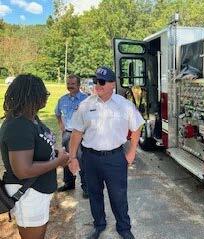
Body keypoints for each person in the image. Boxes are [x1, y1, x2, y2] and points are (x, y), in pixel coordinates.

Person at [68, 66, 144, 239]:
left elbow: (137, 126)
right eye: (96, 81)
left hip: (115, 158)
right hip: (90, 157)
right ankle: (99, 225)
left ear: (112, 84)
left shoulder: (124, 105)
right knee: (94, 194)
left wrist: (132, 152)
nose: (98, 85)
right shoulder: (85, 105)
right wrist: (72, 157)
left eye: (102, 82)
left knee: (118, 196)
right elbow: (76, 133)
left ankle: (124, 228)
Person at [0, 74, 69, 239]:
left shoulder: (32, 119)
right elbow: (23, 170)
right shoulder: (18, 125)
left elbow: (38, 148)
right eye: (43, 93)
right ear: (32, 95)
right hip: (28, 194)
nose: (46, 97)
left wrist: (55, 153)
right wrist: (57, 162)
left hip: (37, 191)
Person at [55, 74, 88, 197]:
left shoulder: (86, 100)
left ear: (79, 85)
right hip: (67, 134)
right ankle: (69, 183)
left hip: (81, 135)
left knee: (82, 160)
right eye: (68, 84)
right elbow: (57, 113)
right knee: (66, 158)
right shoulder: (62, 100)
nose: (70, 86)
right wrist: (61, 126)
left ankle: (86, 187)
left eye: (73, 84)